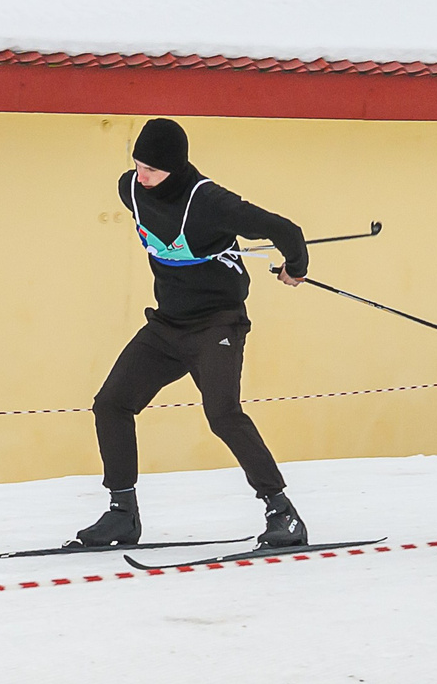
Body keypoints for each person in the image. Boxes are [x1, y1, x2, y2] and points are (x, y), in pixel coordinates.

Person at [74, 119, 311, 552]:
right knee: (111, 404)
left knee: (222, 414)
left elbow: (287, 232)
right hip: (167, 327)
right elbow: (139, 189)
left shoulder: (209, 201)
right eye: (137, 166)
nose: (141, 177)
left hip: (216, 324)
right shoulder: (130, 190)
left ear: (176, 167)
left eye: (151, 170)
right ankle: (122, 513)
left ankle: (282, 512)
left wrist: (295, 268)